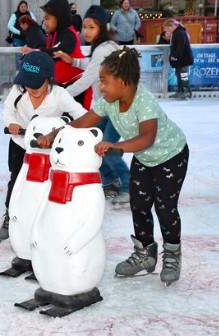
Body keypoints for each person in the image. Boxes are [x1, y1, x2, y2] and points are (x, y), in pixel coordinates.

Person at [37, 46, 189, 286]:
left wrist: (116, 148)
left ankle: (172, 255)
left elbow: (147, 138)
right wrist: (56, 132)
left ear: (124, 82)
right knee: (139, 205)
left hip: (172, 156)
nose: (101, 87)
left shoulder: (144, 101)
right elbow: (83, 122)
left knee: (165, 208)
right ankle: (144, 254)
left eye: (105, 82)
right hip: (145, 158)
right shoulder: (108, 102)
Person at [0, 51, 87, 241]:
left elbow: (81, 115)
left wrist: (68, 132)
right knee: (16, 179)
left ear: (49, 78)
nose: (31, 88)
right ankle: (10, 214)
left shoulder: (60, 94)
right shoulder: (18, 91)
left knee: (47, 182)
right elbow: (8, 111)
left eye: (36, 83)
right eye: (27, 83)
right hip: (19, 144)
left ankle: (45, 217)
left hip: (47, 150)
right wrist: (11, 123)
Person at [54, 5, 130, 207]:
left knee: (107, 146)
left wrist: (59, 96)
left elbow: (87, 79)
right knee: (93, 142)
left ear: (101, 28)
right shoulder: (103, 48)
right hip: (107, 105)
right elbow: (93, 68)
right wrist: (74, 61)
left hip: (118, 106)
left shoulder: (105, 48)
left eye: (91, 27)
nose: (86, 31)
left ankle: (128, 187)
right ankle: (110, 180)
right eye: (85, 27)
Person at [21, 0, 92, 110]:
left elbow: (54, 52)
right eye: (44, 18)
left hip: (77, 89)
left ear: (59, 18)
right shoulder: (53, 34)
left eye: (48, 18)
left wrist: (34, 52)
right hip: (62, 87)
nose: (44, 22)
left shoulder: (68, 34)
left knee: (75, 125)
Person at [164, 19, 194, 100]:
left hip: (183, 59)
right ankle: (180, 91)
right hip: (180, 60)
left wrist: (175, 56)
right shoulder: (177, 33)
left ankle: (186, 92)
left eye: (168, 28)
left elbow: (181, 46)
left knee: (183, 75)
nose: (168, 31)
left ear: (172, 26)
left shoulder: (180, 33)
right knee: (178, 75)